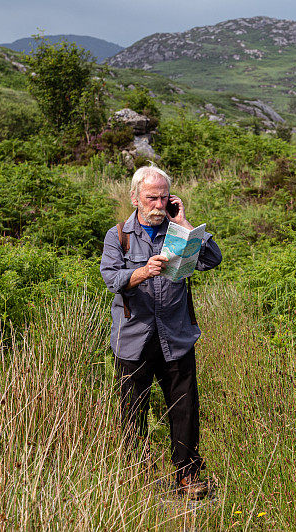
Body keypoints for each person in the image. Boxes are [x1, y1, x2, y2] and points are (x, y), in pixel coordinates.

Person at [99, 163, 222, 499]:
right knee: (132, 410)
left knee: (184, 408)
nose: (158, 204)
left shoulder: (178, 231)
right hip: (134, 336)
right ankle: (137, 475)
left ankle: (187, 475)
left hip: (175, 335)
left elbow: (212, 259)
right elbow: (112, 279)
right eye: (151, 198)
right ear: (136, 198)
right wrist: (142, 272)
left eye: (163, 197)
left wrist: (184, 222)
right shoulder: (119, 236)